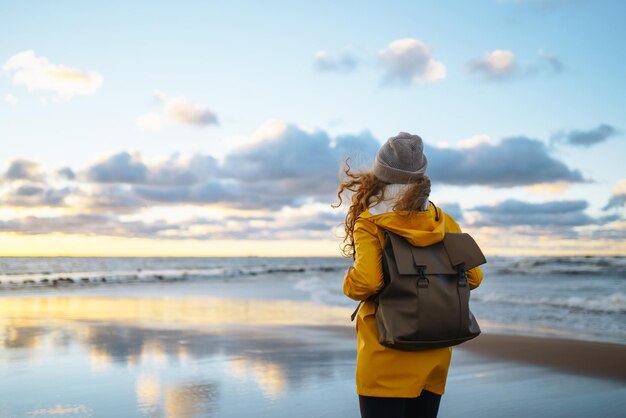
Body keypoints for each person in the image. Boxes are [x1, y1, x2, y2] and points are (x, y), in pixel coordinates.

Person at [336, 132, 484, 418]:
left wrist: (348, 280)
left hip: (385, 351)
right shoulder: (443, 220)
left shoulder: (370, 221)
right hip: (435, 354)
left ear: (379, 175)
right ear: (419, 176)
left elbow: (367, 282)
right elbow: (474, 278)